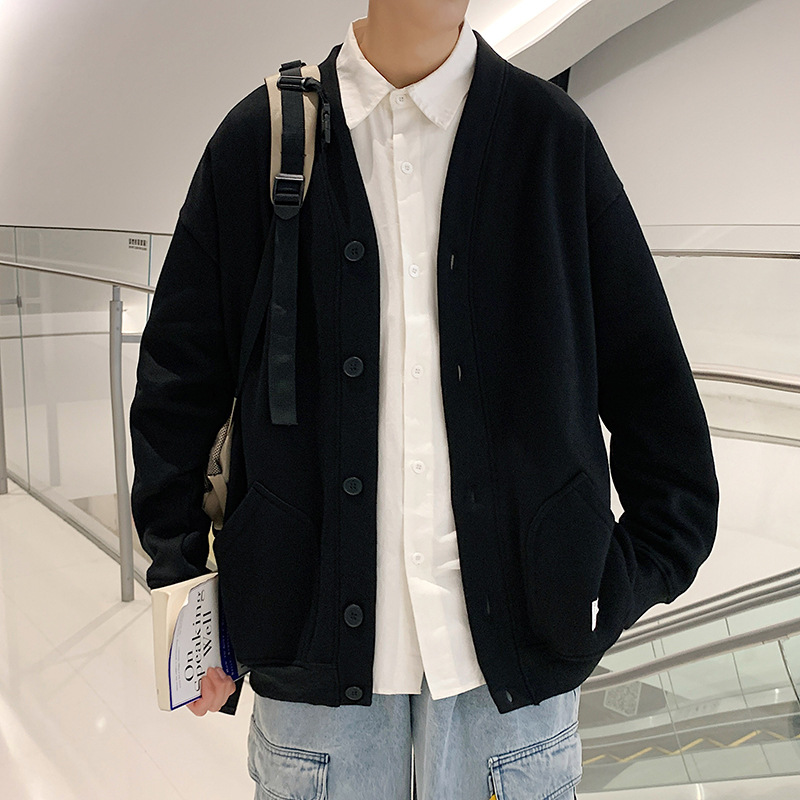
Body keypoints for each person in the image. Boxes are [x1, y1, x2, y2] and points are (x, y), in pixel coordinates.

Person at [129, 1, 719, 797]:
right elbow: (178, 387)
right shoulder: (259, 142)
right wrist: (187, 597)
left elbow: (656, 396)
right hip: (308, 654)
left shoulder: (551, 141)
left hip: (514, 677)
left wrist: (609, 586)